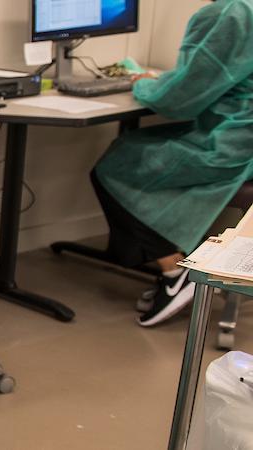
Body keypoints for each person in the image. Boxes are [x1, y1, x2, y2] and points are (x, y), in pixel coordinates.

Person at [92, 0, 253, 327]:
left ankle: (175, 272)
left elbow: (180, 99)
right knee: (137, 147)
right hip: (242, 136)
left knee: (117, 165)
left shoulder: (233, 12)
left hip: (231, 144)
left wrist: (143, 82)